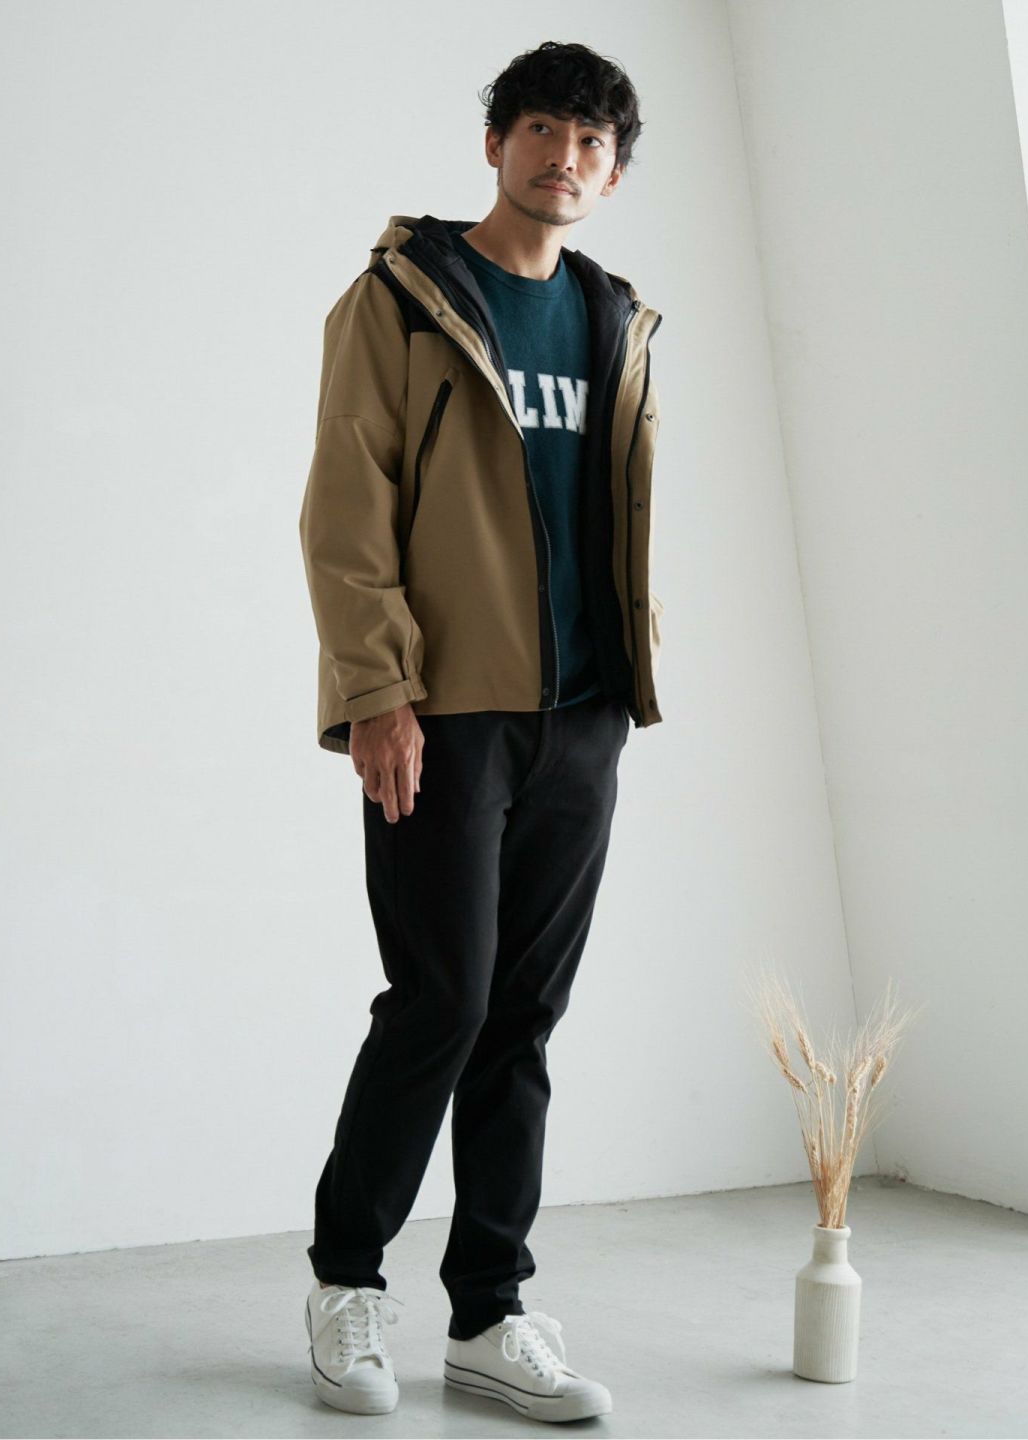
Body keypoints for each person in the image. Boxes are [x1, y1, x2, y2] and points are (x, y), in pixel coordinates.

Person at [296, 38, 664, 1423]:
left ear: (612, 175)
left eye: (591, 142)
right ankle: (347, 1282)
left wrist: (625, 682)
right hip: (445, 712)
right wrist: (376, 693)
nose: (564, 156)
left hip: (584, 717)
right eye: (543, 129)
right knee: (440, 1003)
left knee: (523, 1020)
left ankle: (491, 1313)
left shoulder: (616, 319)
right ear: (497, 144)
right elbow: (348, 506)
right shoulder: (401, 299)